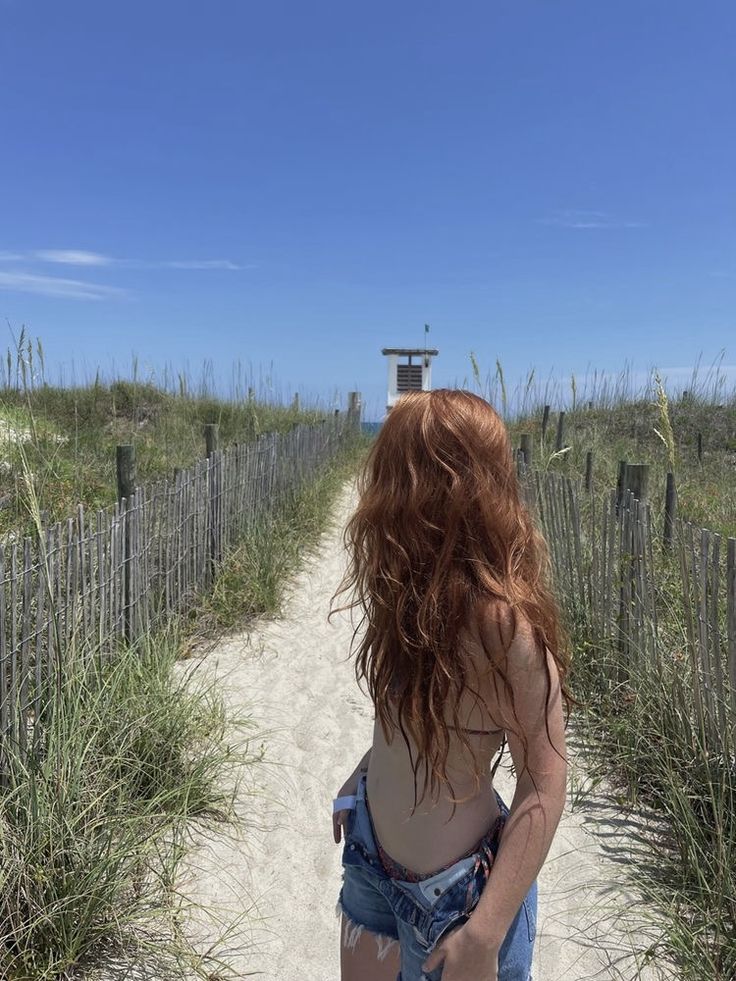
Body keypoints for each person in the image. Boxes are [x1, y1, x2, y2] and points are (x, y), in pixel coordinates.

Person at [328, 389, 577, 981]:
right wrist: (362, 772)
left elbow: (545, 781)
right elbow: (406, 714)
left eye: (393, 477)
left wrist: (487, 933)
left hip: (455, 902)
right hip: (370, 854)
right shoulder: (406, 592)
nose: (377, 497)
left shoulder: (504, 626)